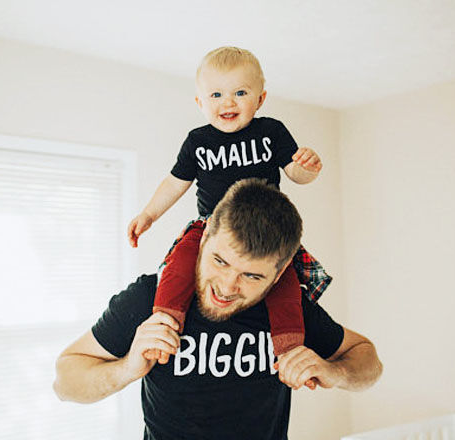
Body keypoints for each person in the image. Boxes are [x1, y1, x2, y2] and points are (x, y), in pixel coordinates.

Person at [53, 179, 383, 440]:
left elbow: (368, 360)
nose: (226, 287)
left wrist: (332, 371)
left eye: (251, 276)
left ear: (280, 273)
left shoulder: (289, 311)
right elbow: (65, 382)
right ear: (204, 235)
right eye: (219, 261)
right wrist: (127, 368)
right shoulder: (147, 299)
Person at [126, 46, 330, 363]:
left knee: (285, 286)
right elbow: (174, 183)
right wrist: (148, 214)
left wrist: (307, 167)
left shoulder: (271, 132)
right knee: (177, 271)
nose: (228, 102)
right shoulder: (197, 141)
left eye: (240, 92)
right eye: (217, 94)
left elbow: (295, 173)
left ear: (260, 99)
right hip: (211, 228)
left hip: (266, 230)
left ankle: (290, 351)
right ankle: (163, 330)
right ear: (201, 103)